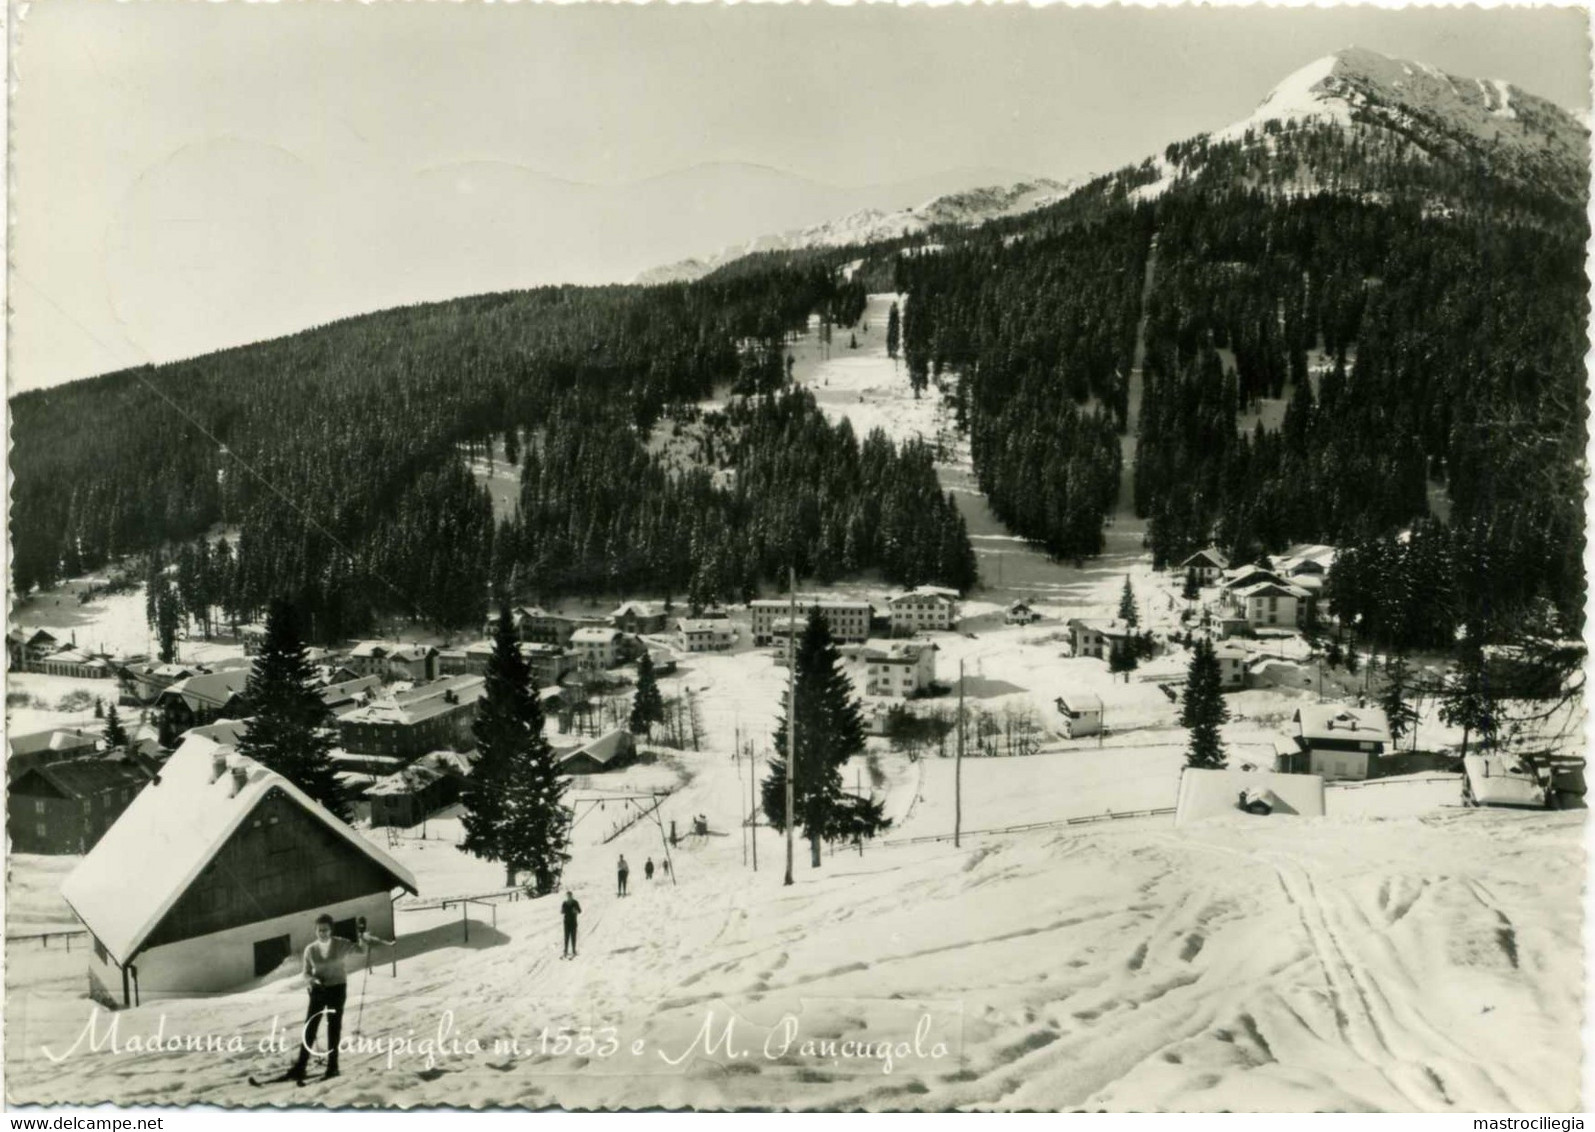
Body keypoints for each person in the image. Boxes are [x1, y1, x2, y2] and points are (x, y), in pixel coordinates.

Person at [289, 913, 367, 1081]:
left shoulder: (340, 944)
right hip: (318, 991)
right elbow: (306, 973)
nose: (322, 933)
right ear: (316, 931)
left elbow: (361, 950)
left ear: (331, 930)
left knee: (333, 1028)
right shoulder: (310, 949)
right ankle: (300, 1067)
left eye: (325, 930)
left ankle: (333, 1067)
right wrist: (313, 980)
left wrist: (362, 934)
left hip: (337, 990)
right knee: (310, 1027)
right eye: (319, 930)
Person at [561, 890, 582, 958]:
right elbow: (562, 911)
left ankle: (573, 950)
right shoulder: (564, 903)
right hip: (566, 922)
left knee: (573, 937)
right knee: (566, 937)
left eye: (570, 896)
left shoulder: (575, 902)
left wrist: (576, 910)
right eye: (568, 896)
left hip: (573, 922)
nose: (569, 897)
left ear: (572, 896)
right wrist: (562, 911)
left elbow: (580, 911)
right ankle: (566, 950)